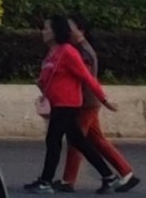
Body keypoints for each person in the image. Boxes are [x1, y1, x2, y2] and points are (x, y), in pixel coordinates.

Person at [22, 15, 118, 193]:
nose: (43, 32)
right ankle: (109, 177)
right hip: (57, 104)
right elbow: (47, 79)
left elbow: (87, 78)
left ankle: (45, 181)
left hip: (68, 104)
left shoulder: (68, 51)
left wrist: (104, 100)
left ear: (55, 31)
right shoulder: (51, 53)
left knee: (53, 140)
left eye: (46, 28)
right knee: (78, 141)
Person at [57, 24, 139, 191]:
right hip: (90, 102)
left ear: (81, 31)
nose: (67, 32)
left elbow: (85, 79)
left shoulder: (83, 52)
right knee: (96, 140)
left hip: (86, 103)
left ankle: (68, 181)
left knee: (76, 141)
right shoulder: (82, 49)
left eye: (71, 28)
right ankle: (126, 172)